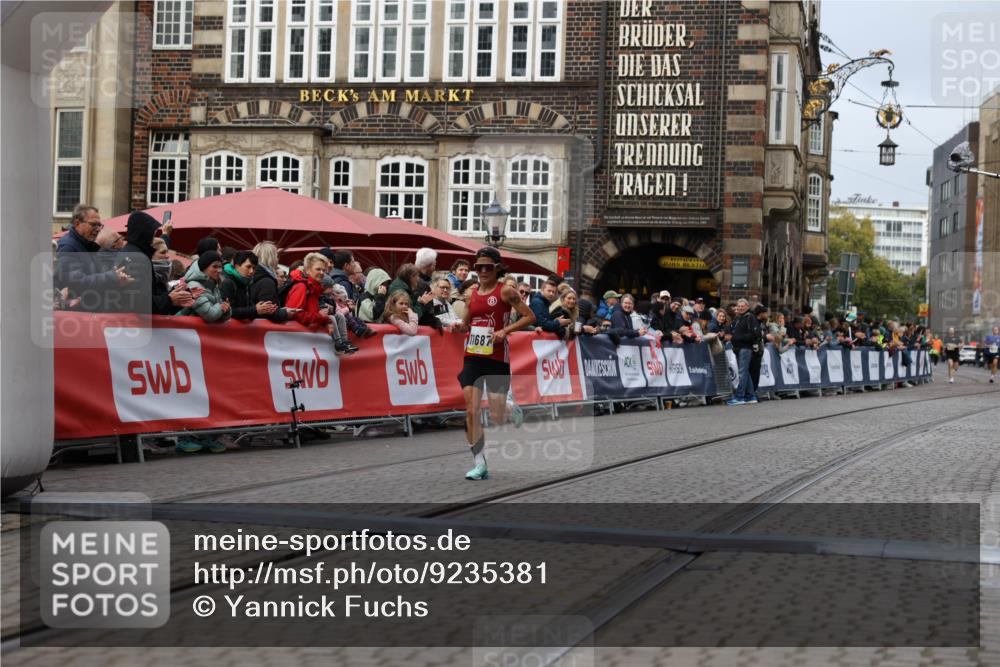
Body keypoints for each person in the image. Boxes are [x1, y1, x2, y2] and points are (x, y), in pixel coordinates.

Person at [452, 247, 535, 481]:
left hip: (497, 357)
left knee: (497, 412)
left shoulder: (506, 291)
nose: (483, 271)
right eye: (479, 267)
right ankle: (479, 463)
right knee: (472, 410)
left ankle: (510, 407)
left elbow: (530, 316)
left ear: (497, 268)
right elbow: (467, 324)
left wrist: (504, 331)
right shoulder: (471, 294)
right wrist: (460, 326)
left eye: (488, 267)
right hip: (473, 357)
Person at [55, 203, 134, 311]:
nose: (98, 229)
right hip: (78, 315)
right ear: (77, 223)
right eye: (93, 224)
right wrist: (112, 277)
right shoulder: (68, 246)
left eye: (99, 225)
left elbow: (93, 275)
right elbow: (77, 282)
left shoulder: (87, 245)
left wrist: (116, 277)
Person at [120, 211, 195, 315]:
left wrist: (174, 297)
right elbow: (140, 303)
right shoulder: (136, 259)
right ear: (144, 233)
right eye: (152, 233)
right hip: (135, 327)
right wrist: (170, 299)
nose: (153, 237)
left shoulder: (136, 254)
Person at [286, 252, 356, 354]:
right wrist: (322, 317)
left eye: (324, 270)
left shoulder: (314, 288)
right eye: (318, 269)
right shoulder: (302, 287)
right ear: (307, 270)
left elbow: (314, 313)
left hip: (309, 343)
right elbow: (295, 314)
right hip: (298, 344)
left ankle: (343, 344)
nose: (322, 272)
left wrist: (326, 321)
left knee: (338, 317)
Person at [220, 251, 279, 321]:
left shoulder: (246, 283)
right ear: (236, 266)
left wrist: (264, 309)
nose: (251, 271)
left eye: (254, 268)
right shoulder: (227, 282)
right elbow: (228, 311)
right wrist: (255, 309)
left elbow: (248, 309)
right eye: (248, 267)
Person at [175, 251, 232, 324]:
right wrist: (221, 307)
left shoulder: (214, 285)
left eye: (220, 267)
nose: (219, 270)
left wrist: (227, 309)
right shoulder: (194, 285)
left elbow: (221, 317)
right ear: (204, 268)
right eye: (215, 266)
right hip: (185, 330)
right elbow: (210, 315)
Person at [249, 241, 290, 323]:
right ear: (270, 257)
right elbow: (268, 311)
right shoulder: (267, 281)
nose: (278, 259)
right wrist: (285, 313)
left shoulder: (252, 275)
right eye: (276, 256)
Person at [728, 299, 756, 405]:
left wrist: (738, 338)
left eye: (742, 306)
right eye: (738, 306)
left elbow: (754, 333)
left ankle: (740, 397)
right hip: (738, 348)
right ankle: (751, 396)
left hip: (745, 348)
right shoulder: (739, 318)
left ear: (747, 307)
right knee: (745, 372)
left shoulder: (750, 317)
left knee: (742, 372)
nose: (740, 308)